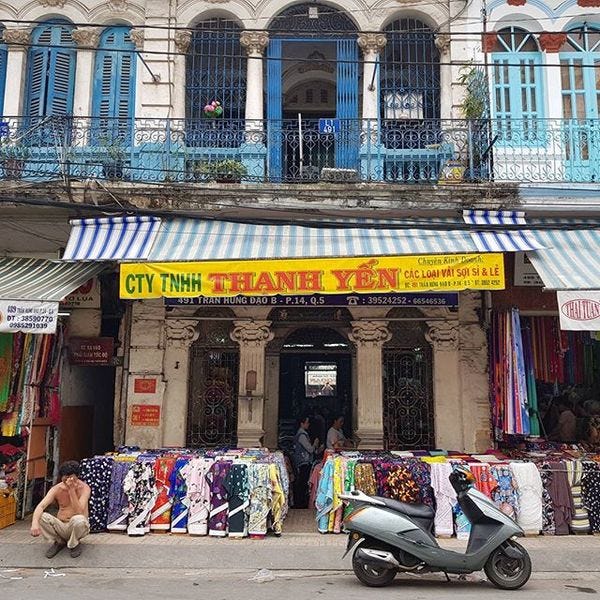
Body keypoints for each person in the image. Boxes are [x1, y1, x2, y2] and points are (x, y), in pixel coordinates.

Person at [30, 460, 91, 558]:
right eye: (65, 477)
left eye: (70, 476)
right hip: (61, 525)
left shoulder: (84, 488)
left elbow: (79, 511)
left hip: (78, 527)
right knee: (41, 516)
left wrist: (71, 490)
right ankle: (59, 541)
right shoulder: (57, 489)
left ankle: (74, 543)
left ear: (77, 476)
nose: (67, 480)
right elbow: (41, 506)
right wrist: (34, 524)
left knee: (79, 519)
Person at [293, 416, 320, 508]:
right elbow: (310, 449)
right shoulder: (302, 436)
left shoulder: (302, 434)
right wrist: (315, 444)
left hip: (303, 461)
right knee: (302, 482)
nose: (308, 424)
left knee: (302, 482)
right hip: (303, 462)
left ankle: (300, 502)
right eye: (307, 422)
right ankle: (300, 503)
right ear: (302, 423)